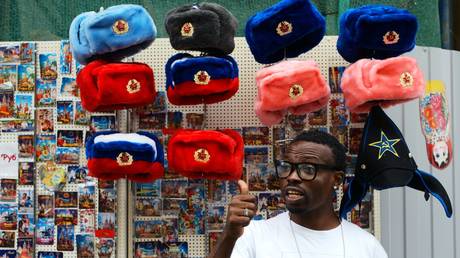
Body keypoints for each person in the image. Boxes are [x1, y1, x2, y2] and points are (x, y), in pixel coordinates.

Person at [209, 130, 388, 258]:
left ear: (337, 179)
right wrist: (229, 235)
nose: (292, 177)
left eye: (308, 169)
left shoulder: (366, 246)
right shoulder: (253, 235)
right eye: (286, 167)